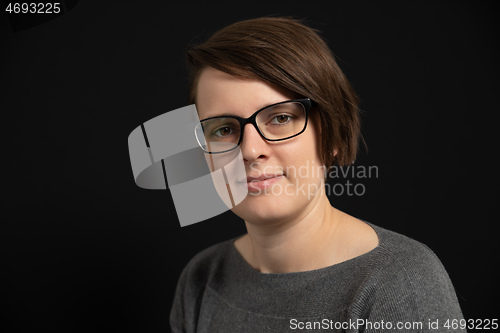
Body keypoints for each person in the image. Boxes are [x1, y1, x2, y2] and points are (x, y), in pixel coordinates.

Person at [170, 17, 465, 332]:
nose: (250, 150)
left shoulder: (400, 283)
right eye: (224, 129)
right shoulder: (202, 278)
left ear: (333, 137)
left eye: (281, 118)